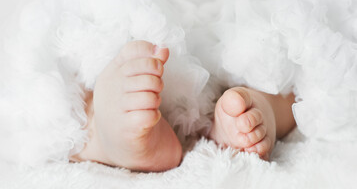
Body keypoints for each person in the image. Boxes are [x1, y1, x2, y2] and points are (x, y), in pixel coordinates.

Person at [70, 40, 296, 172]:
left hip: (211, 25)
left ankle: (260, 106)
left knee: (275, 68)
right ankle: (107, 134)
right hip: (207, 18)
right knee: (70, 93)